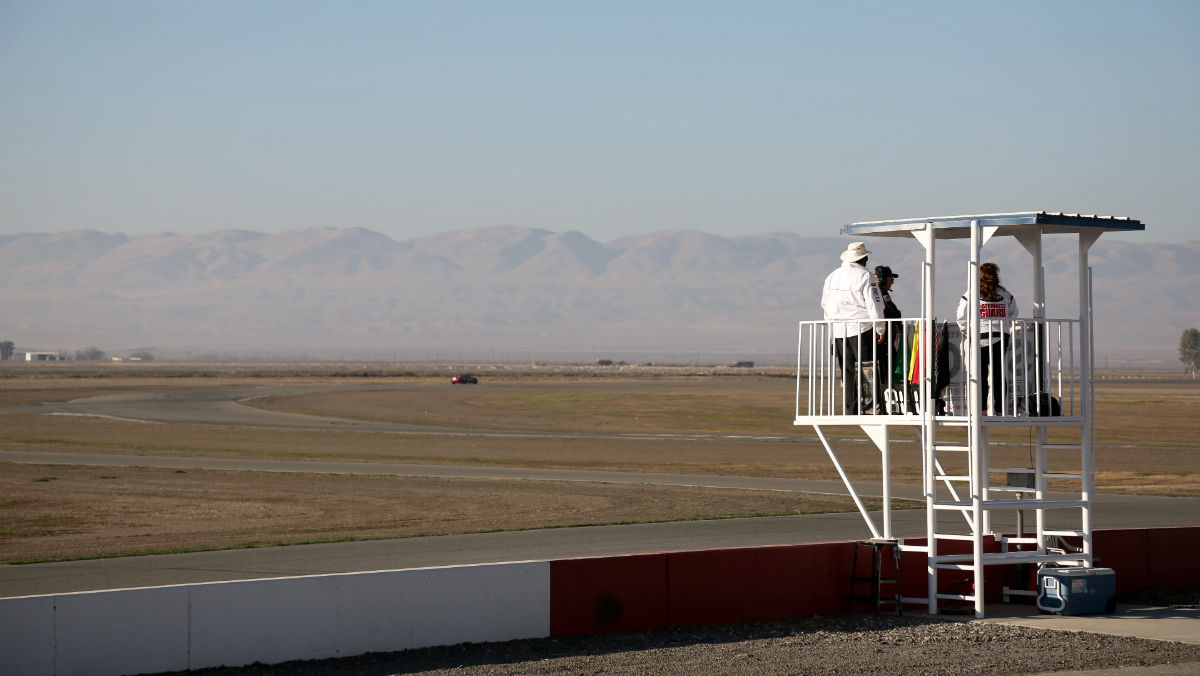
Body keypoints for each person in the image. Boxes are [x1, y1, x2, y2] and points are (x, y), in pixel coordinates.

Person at [821, 242, 885, 414]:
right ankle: (870, 407)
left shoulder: (832, 276)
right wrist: (880, 328)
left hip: (839, 330)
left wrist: (832, 327)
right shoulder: (865, 276)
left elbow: (825, 304)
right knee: (867, 368)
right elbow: (875, 304)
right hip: (862, 328)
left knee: (847, 371)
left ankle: (850, 408)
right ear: (864, 258)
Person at [956, 262, 1018, 414]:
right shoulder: (1005, 294)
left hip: (979, 337)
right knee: (998, 373)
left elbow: (961, 316)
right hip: (1001, 336)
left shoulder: (971, 293)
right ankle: (999, 409)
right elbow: (1014, 313)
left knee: (980, 374)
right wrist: (1002, 325)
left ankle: (982, 409)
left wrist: (967, 330)